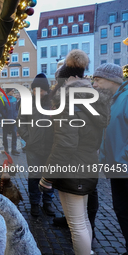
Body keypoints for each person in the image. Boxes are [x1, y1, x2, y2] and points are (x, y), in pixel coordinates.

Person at [39, 49, 110, 255]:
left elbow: (65, 144)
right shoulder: (93, 99)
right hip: (87, 164)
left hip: (72, 168)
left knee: (77, 223)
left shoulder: (67, 101)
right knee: (82, 220)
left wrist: (47, 177)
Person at [93, 63, 128, 255]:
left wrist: (123, 159)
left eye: (98, 80)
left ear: (112, 80)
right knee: (121, 211)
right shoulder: (113, 100)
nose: (95, 84)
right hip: (116, 168)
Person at [18, 73, 55, 217]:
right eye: (35, 90)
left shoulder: (53, 101)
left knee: (49, 175)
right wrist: (28, 137)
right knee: (34, 175)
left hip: (51, 145)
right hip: (33, 146)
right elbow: (21, 120)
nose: (37, 93)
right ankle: (34, 202)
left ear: (46, 90)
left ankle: (48, 202)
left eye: (41, 90)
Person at [0, 88, 20, 155]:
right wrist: (6, 116)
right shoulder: (2, 99)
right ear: (8, 91)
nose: (13, 92)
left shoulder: (14, 99)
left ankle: (14, 149)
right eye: (12, 91)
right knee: (5, 135)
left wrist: (16, 115)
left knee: (14, 134)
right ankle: (6, 149)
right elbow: (2, 110)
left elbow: (16, 109)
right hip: (6, 120)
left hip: (13, 120)